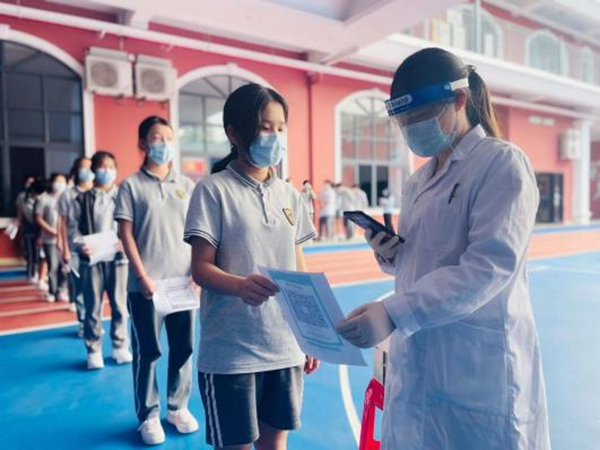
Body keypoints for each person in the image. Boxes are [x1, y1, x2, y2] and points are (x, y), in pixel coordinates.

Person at [337, 47, 550, 449]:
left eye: (420, 116)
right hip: (418, 358)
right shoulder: (418, 181)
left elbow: (487, 268)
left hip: (477, 370)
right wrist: (391, 254)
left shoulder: (500, 164)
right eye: (404, 121)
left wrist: (393, 313)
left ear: (459, 100)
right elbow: (424, 259)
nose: (411, 128)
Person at [184, 83, 319, 450]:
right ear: (234, 133)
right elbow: (201, 268)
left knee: (276, 445)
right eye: (264, 127)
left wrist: (309, 333)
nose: (274, 137)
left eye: (280, 128)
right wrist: (240, 285)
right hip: (231, 352)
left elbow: (298, 267)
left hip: (284, 347)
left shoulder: (290, 195)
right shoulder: (212, 190)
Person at [115, 116, 198, 445]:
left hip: (183, 285)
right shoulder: (131, 185)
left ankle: (177, 407)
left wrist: (196, 273)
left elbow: (197, 233)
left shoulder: (186, 185)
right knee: (147, 351)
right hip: (146, 288)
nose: (164, 143)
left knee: (184, 348)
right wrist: (142, 276)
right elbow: (125, 233)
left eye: (169, 137)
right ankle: (148, 415)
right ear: (143, 143)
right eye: (157, 137)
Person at [70, 151, 131, 370]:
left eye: (111, 167)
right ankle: (93, 349)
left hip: (119, 259)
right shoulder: (81, 199)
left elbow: (134, 225)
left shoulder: (124, 195)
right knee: (92, 305)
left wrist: (127, 242)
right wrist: (80, 245)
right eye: (103, 167)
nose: (107, 171)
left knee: (120, 305)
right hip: (92, 259)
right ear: (94, 170)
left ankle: (120, 345)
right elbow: (72, 229)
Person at [58, 157, 95, 335]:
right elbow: (62, 222)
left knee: (95, 288)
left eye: (90, 168)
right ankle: (83, 322)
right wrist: (64, 247)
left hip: (96, 247)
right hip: (75, 248)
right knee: (80, 287)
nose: (87, 171)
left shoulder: (98, 193)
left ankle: (94, 322)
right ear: (76, 170)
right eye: (83, 168)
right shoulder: (67, 195)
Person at [35, 173, 68, 302]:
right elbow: (38, 218)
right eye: (57, 181)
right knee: (53, 265)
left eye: (62, 182)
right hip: (49, 239)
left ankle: (62, 290)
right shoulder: (44, 199)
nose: (60, 185)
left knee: (64, 267)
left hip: (65, 239)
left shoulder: (67, 198)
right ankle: (52, 291)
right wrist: (51, 230)